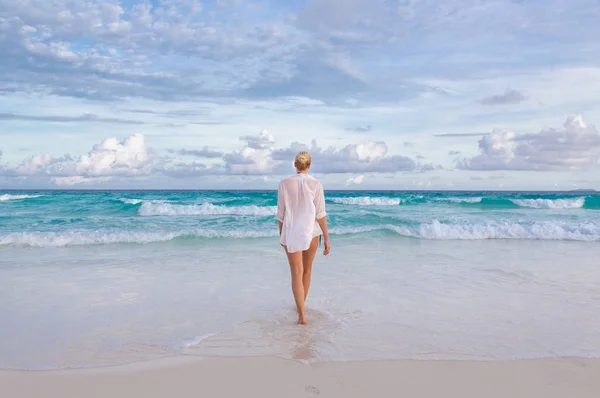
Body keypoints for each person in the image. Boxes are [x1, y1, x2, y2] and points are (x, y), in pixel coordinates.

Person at [277, 151, 330, 325]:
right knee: (307, 271)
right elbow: (320, 214)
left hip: (291, 232)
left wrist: (282, 237)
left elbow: (281, 215)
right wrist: (327, 239)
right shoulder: (316, 184)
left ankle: (301, 314)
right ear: (309, 166)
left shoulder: (284, 184)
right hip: (312, 231)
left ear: (295, 165)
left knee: (296, 273)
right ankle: (302, 308)